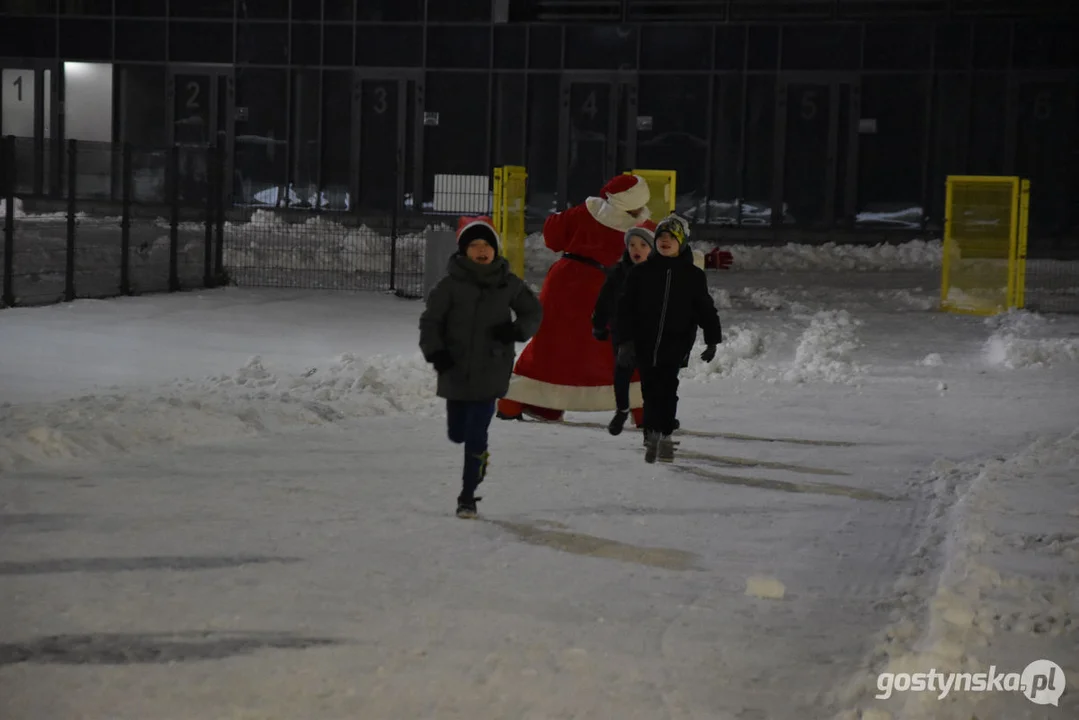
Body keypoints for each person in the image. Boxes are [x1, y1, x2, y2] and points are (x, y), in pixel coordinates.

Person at [496, 174, 655, 425]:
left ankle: (514, 403)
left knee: (550, 348)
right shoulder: (645, 230)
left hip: (564, 284)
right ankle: (644, 411)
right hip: (609, 293)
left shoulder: (585, 212)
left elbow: (552, 236)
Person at [419, 216, 543, 518]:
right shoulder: (448, 286)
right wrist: (436, 353)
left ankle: (467, 495)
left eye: (487, 245)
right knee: (457, 433)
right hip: (455, 369)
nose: (481, 250)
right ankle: (475, 460)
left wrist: (515, 331)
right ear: (464, 251)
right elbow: (431, 322)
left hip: (491, 367)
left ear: (495, 250)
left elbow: (533, 311)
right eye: (474, 245)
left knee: (476, 433)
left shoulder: (507, 283)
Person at [615, 214, 723, 464]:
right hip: (644, 342)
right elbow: (625, 309)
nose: (664, 241)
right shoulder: (640, 273)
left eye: (670, 238)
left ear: (681, 242)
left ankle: (664, 433)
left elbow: (705, 309)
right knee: (650, 389)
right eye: (661, 237)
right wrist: (625, 341)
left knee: (668, 388)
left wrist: (712, 340)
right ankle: (651, 434)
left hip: (676, 343)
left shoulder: (693, 275)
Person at [591, 225, 654, 435]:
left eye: (643, 245)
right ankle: (622, 410)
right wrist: (598, 324)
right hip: (624, 335)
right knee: (622, 373)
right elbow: (604, 300)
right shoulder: (618, 273)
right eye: (632, 245)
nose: (636, 249)